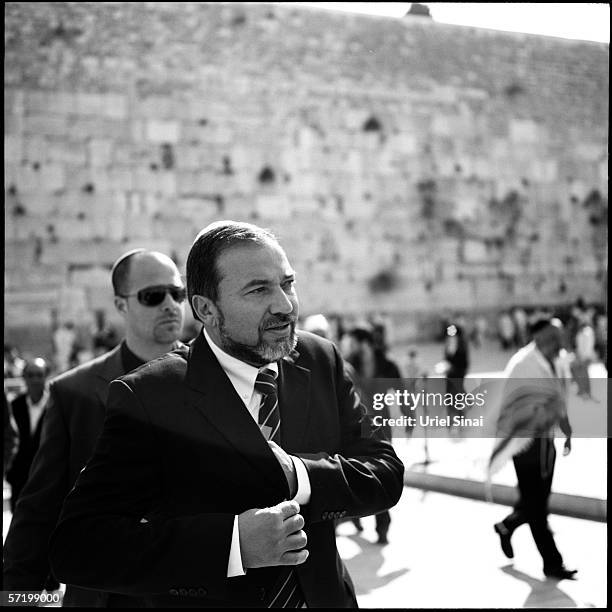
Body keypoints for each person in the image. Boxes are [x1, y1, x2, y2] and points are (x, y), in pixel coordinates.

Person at [48, 220, 404, 607]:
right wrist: (233, 544)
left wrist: (300, 476)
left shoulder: (319, 359)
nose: (285, 306)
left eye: (287, 283)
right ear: (206, 309)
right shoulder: (150, 396)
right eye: (258, 290)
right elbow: (78, 546)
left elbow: (384, 473)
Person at [3, 249, 186, 606]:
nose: (170, 305)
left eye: (177, 294)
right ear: (120, 305)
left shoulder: (217, 382)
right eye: (153, 296)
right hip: (104, 595)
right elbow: (39, 514)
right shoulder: (74, 392)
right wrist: (16, 600)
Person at [488, 318, 577, 580]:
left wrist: (566, 429)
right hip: (525, 444)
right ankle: (552, 563)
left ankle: (507, 526)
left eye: (560, 336)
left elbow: (560, 398)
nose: (558, 342)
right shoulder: (522, 364)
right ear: (539, 337)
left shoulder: (557, 361)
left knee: (536, 500)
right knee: (537, 506)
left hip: (546, 441)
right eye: (553, 336)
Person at [342, 325, 402, 545]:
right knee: (357, 473)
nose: (349, 345)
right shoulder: (349, 364)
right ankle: (354, 515)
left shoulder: (386, 363)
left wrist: (408, 414)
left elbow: (401, 389)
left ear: (363, 343)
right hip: (355, 425)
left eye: (352, 341)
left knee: (381, 473)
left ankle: (383, 525)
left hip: (381, 424)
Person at [5, 358, 50, 512]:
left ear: (46, 376)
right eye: (30, 375)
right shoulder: (15, 405)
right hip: (19, 479)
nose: (35, 380)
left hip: (46, 478)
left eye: (39, 374)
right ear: (24, 377)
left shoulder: (55, 405)